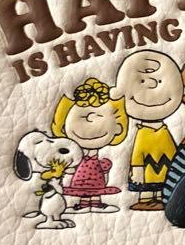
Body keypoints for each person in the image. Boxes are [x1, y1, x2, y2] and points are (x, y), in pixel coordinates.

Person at [112, 49, 184, 210]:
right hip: (148, 170)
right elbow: (138, 153)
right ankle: (145, 200)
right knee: (147, 185)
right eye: (143, 81)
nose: (151, 84)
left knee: (163, 181)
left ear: (182, 90)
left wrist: (177, 168)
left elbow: (172, 151)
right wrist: (137, 170)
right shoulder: (142, 133)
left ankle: (162, 198)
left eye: (158, 81)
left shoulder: (163, 132)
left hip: (165, 168)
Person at [51, 77, 128, 212]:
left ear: (118, 128)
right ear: (63, 127)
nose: (91, 119)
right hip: (81, 177)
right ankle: (84, 203)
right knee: (83, 190)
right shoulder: (76, 158)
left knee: (96, 189)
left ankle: (95, 202)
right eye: (83, 116)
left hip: (95, 177)